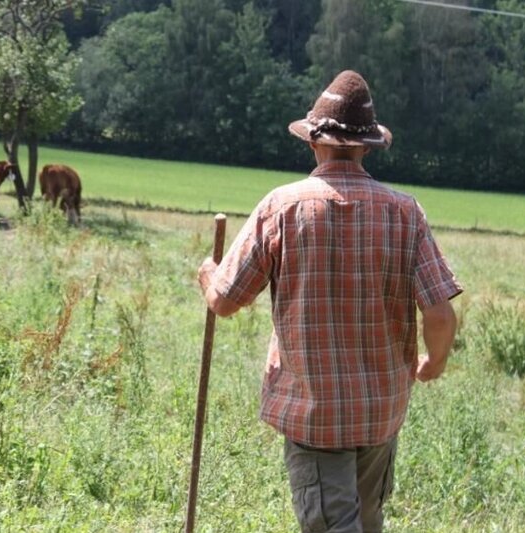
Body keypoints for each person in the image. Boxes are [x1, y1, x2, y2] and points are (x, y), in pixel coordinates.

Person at [197, 70, 462, 533]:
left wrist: (207, 274)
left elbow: (224, 300)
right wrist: (434, 362)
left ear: (314, 143)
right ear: (366, 145)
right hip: (380, 410)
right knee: (366, 519)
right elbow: (439, 311)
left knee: (334, 527)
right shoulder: (406, 212)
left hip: (315, 411)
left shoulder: (282, 207)